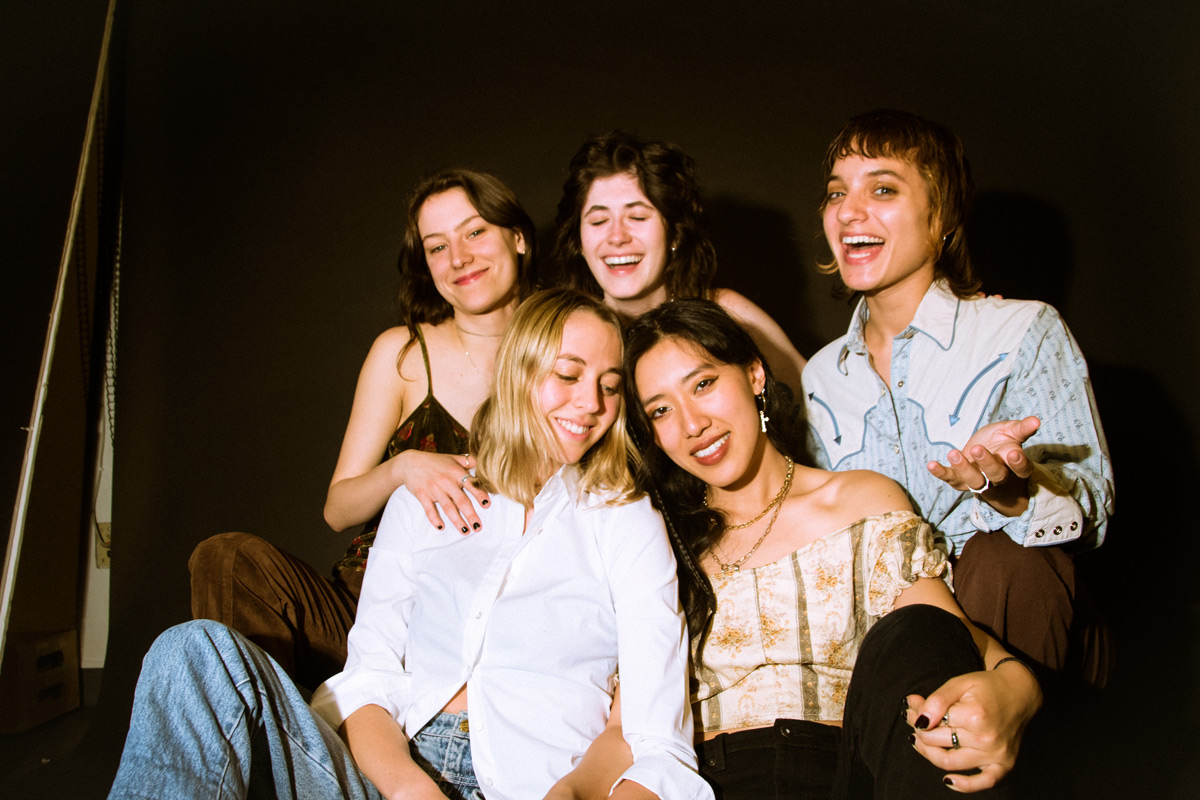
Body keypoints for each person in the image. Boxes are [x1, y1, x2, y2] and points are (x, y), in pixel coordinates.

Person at [109, 288, 711, 800]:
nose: (591, 404)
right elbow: (368, 679)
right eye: (568, 374)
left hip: (532, 782)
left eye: (611, 386)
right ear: (520, 370)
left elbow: (653, 730)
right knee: (194, 651)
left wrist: (573, 795)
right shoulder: (426, 499)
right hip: (385, 776)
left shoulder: (623, 517)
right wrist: (406, 788)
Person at [623, 299, 1042, 798]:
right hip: (709, 784)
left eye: (703, 384)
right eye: (661, 410)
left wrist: (1021, 691)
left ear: (755, 375)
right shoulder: (658, 543)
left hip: (845, 774)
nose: (692, 423)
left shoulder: (859, 501)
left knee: (913, 629)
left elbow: (938, 638)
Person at [187, 168, 537, 689]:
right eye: (436, 246)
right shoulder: (402, 353)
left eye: (475, 232)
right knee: (226, 557)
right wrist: (404, 467)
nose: (458, 257)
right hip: (366, 606)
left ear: (518, 237)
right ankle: (266, 753)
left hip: (491, 620)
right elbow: (338, 508)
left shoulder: (566, 349)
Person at [801, 109, 1113, 687]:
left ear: (940, 214)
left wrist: (1017, 495)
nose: (848, 211)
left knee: (1004, 559)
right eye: (836, 194)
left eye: (884, 189)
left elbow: (1093, 504)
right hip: (894, 639)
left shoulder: (1023, 329)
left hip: (1021, 616)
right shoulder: (821, 376)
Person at [551, 129, 807, 398]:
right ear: (578, 240)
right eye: (599, 221)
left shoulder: (726, 311)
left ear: (674, 233)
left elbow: (818, 397)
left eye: (637, 217)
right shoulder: (561, 333)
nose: (617, 237)